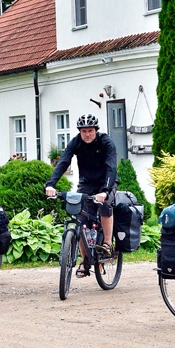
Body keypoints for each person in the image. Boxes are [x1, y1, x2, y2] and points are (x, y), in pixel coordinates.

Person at [45, 114, 117, 278]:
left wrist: (105, 191)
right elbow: (63, 162)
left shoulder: (106, 142)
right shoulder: (76, 142)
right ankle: (85, 261)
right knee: (80, 217)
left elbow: (111, 167)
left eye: (90, 130)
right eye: (84, 131)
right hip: (87, 182)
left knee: (105, 205)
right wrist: (50, 184)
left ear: (96, 130)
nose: (87, 134)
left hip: (106, 182)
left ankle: (107, 243)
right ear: (80, 132)